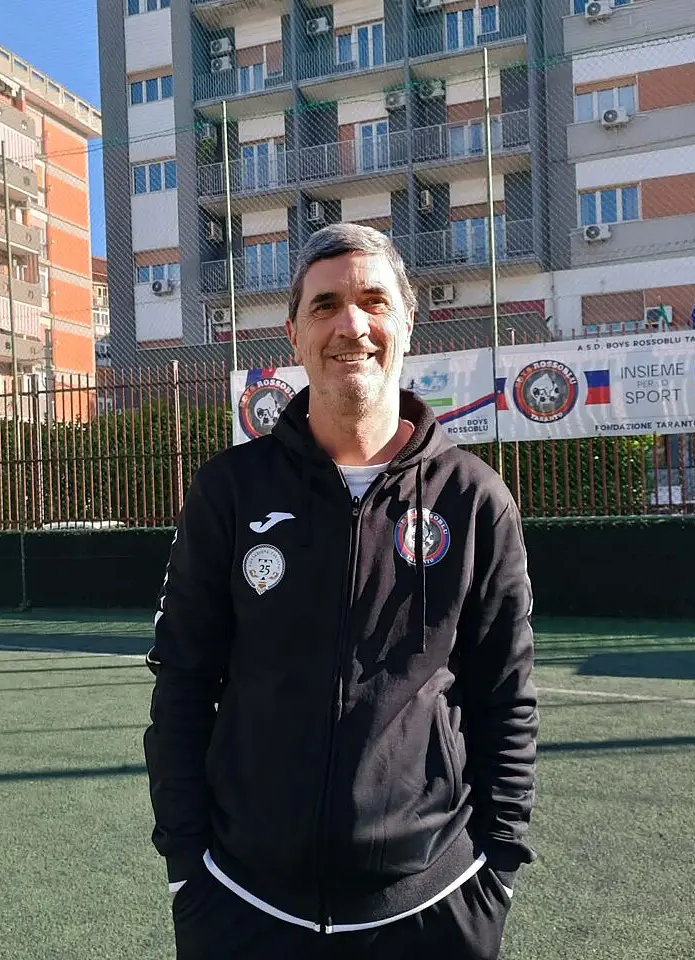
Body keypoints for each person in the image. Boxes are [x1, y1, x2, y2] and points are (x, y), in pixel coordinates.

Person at [143, 223, 538, 959]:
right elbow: (183, 682)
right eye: (325, 305)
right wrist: (186, 868)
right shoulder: (230, 491)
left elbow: (506, 696)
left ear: (407, 321)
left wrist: (498, 872)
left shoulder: (474, 499)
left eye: (373, 301)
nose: (351, 325)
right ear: (294, 334)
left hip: (433, 904)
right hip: (243, 901)